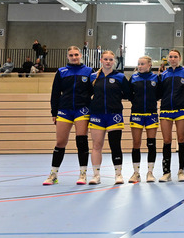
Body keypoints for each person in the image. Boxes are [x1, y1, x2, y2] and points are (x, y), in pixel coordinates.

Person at [43, 46, 93, 185]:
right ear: (67, 57)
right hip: (64, 110)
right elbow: (55, 93)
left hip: (82, 110)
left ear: (80, 55)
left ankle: (83, 174)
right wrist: (54, 112)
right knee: (60, 142)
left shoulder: (89, 71)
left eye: (76, 54)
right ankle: (53, 175)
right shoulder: (61, 71)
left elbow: (93, 91)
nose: (74, 57)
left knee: (81, 140)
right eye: (71, 55)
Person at [88, 51, 131, 185]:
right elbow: (87, 94)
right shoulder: (93, 77)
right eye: (106, 59)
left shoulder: (120, 77)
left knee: (115, 145)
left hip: (114, 115)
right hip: (97, 115)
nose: (108, 62)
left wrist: (116, 98)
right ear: (101, 60)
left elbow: (128, 93)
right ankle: (96, 175)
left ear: (114, 61)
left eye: (110, 59)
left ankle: (118, 175)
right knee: (96, 146)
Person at [158, 49, 184, 182]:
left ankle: (181, 171)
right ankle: (166, 172)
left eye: (175, 57)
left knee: (181, 139)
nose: (173, 59)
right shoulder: (163, 74)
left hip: (181, 109)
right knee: (167, 140)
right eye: (171, 57)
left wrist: (182, 99)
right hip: (166, 110)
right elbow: (160, 92)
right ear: (168, 59)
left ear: (180, 58)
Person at [128, 56, 160, 183]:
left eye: (142, 64)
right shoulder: (133, 78)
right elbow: (129, 94)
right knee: (136, 143)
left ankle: (150, 172)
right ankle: (136, 173)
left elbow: (159, 94)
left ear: (149, 65)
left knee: (151, 143)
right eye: (139, 64)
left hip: (151, 114)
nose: (140, 66)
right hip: (137, 113)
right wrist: (136, 102)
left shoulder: (156, 78)